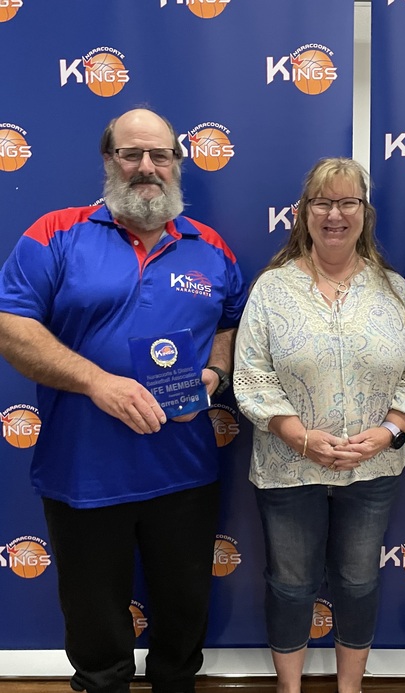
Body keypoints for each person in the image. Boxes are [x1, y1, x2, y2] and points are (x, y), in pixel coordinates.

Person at [0, 108, 247, 693]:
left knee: (183, 620)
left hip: (184, 473)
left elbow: (233, 323)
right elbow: (12, 325)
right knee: (95, 634)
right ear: (109, 160)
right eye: (132, 154)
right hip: (82, 474)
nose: (147, 167)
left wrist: (214, 374)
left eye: (160, 155)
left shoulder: (210, 246)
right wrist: (97, 382)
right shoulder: (55, 232)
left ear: (177, 163)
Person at [233, 157, 405, 693]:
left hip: (373, 469)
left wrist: (389, 432)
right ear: (304, 213)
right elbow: (250, 376)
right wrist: (298, 436)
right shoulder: (272, 289)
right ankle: (289, 688)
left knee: (359, 581)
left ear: (365, 213)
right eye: (322, 203)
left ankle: (350, 688)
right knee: (291, 583)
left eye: (348, 203)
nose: (335, 215)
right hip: (287, 468)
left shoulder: (395, 291)